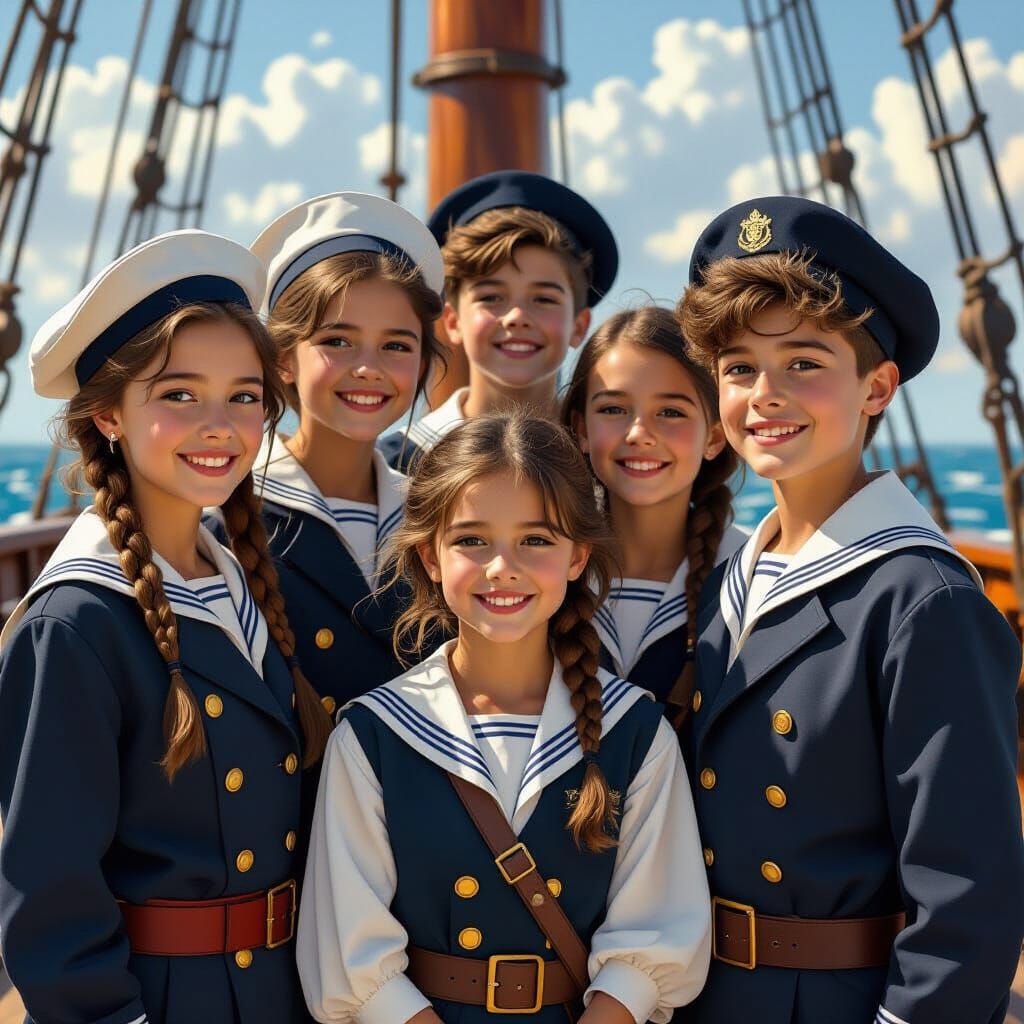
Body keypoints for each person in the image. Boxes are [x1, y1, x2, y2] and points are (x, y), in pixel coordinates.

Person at [675, 196, 1024, 1024]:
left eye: (803, 363)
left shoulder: (921, 599)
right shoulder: (738, 578)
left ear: (877, 386)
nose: (766, 394)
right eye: (737, 368)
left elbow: (967, 901)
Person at [0, 230, 331, 1023]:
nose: (218, 423)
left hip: (280, 990)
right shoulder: (76, 622)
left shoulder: (241, 581)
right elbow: (50, 901)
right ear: (110, 414)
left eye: (244, 396)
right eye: (179, 394)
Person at [298, 411, 711, 1023]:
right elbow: (351, 956)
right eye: (471, 539)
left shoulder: (635, 729)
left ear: (578, 557)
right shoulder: (374, 733)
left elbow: (655, 937)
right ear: (430, 556)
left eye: (536, 540)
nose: (502, 567)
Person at [247, 192, 444, 710]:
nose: (368, 367)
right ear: (283, 358)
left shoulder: (439, 515)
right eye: (337, 341)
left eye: (397, 346)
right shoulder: (227, 516)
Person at [561, 306, 745, 718]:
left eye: (671, 412)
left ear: (714, 436)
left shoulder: (752, 579)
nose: (640, 434)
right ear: (581, 429)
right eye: (612, 409)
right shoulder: (539, 569)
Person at [378, 170, 618, 471]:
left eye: (544, 299)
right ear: (453, 322)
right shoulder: (393, 468)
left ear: (579, 326)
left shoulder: (608, 465)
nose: (517, 317)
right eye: (491, 297)